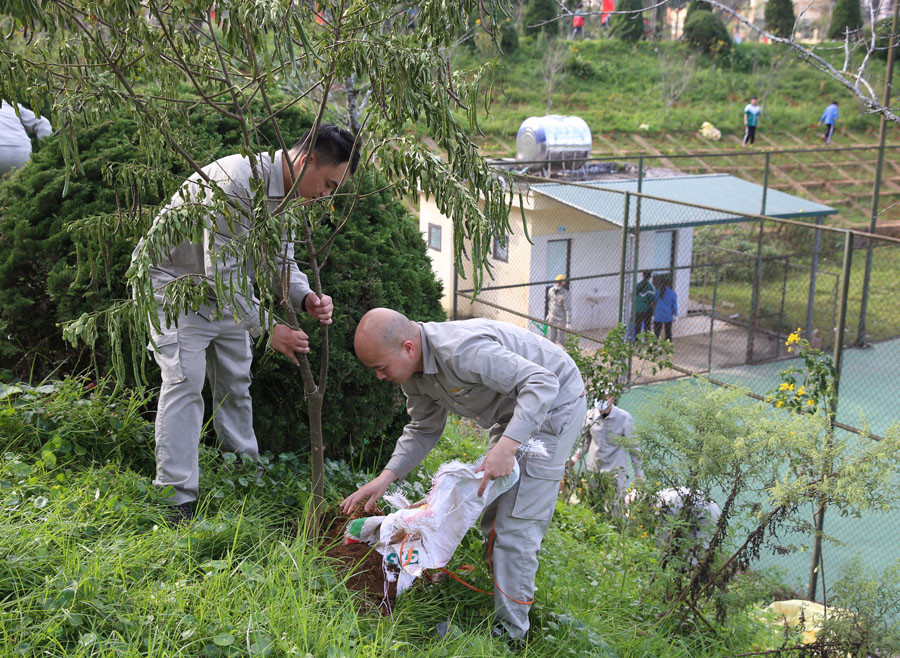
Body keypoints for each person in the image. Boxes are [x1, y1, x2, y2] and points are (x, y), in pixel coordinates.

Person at [135, 124, 359, 524]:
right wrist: (271, 330)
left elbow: (279, 258)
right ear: (305, 160)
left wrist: (304, 296)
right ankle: (176, 500)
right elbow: (221, 270)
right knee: (185, 382)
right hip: (174, 284)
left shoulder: (290, 197)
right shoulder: (237, 182)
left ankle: (244, 480)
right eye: (327, 184)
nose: (328, 195)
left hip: (226, 291)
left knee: (236, 385)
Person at [341, 309, 587, 647]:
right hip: (514, 409)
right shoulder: (413, 374)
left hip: (553, 405)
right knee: (494, 513)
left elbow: (543, 382)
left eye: (381, 368)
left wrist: (508, 445)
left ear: (408, 348)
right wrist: (387, 476)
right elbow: (424, 428)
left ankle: (511, 639)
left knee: (515, 525)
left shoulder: (460, 351)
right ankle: (507, 600)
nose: (380, 377)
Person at [569, 396, 643, 504]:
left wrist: (638, 474)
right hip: (594, 470)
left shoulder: (624, 418)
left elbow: (634, 448)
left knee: (617, 505)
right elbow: (586, 442)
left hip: (615, 471)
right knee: (593, 502)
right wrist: (575, 458)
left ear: (612, 399)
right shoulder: (590, 416)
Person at [0, 100, 53, 175]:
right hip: (20, 151)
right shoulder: (9, 104)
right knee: (20, 184)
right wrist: (46, 153)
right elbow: (42, 123)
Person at [545, 274, 570, 347]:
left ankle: (571, 352)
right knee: (550, 338)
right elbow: (550, 302)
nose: (557, 284)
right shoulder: (551, 291)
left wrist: (568, 322)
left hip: (561, 320)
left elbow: (568, 309)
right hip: (552, 317)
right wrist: (549, 314)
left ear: (562, 284)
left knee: (561, 339)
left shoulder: (565, 294)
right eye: (557, 282)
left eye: (559, 283)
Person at [653, 275, 677, 342]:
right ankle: (668, 340)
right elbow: (674, 305)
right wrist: (675, 313)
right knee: (668, 329)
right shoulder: (672, 293)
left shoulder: (658, 292)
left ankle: (655, 340)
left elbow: (655, 302)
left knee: (657, 329)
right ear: (669, 283)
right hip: (667, 314)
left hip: (658, 313)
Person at [633, 270, 655, 338]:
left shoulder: (637, 285)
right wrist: (653, 310)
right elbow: (652, 301)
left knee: (637, 325)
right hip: (646, 309)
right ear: (650, 277)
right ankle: (647, 339)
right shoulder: (650, 287)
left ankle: (636, 340)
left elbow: (633, 297)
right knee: (647, 326)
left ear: (643, 276)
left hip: (637, 309)